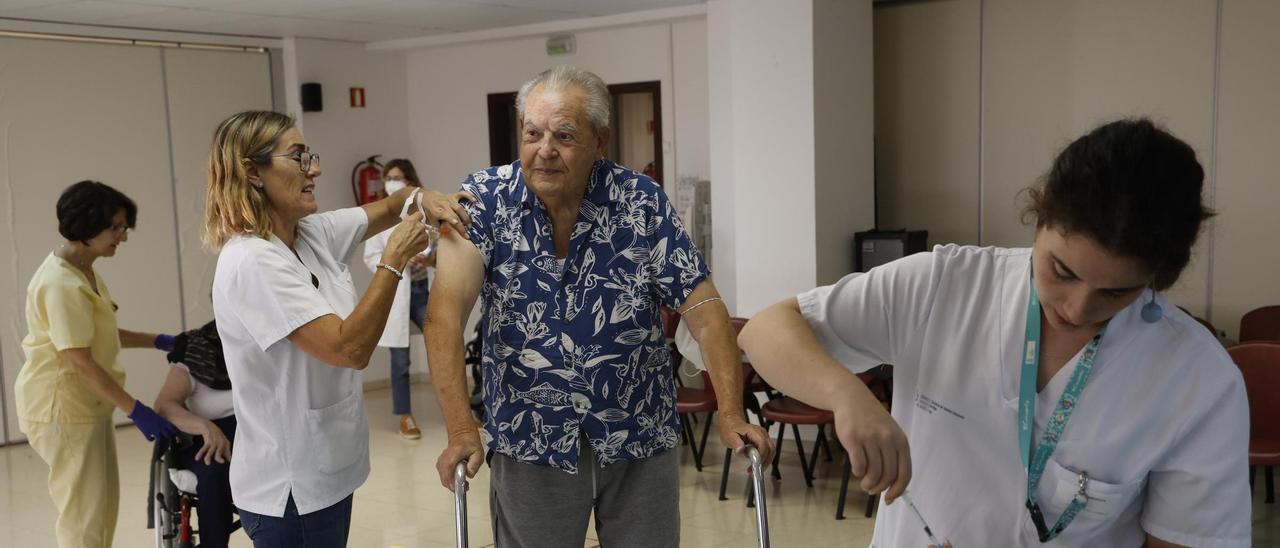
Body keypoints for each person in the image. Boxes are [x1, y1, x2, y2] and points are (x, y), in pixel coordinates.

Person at [740, 119, 1250, 547]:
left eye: (1115, 294)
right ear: (1040, 212)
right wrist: (846, 394)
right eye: (1062, 272)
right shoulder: (945, 285)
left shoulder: (1197, 379)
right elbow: (764, 331)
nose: (1076, 308)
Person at [425, 66, 773, 547]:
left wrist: (731, 412)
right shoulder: (484, 202)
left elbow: (706, 307)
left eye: (564, 135)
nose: (544, 149)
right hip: (532, 440)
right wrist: (462, 428)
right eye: (532, 133)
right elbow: (444, 316)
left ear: (599, 140)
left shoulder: (640, 202)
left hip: (638, 435)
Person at [203, 110, 470, 546]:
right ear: (252, 171)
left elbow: (389, 206)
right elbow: (349, 349)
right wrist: (393, 260)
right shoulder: (252, 261)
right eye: (298, 157)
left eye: (311, 155)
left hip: (326, 467)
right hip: (291, 487)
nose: (316, 168)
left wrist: (426, 200)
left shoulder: (308, 233)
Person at [15, 180, 179, 548]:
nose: (121, 236)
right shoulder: (60, 283)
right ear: (87, 226)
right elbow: (80, 360)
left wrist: (157, 340)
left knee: (102, 508)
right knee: (83, 517)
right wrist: (135, 409)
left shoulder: (83, 270)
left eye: (124, 227)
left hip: (87, 405)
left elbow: (97, 332)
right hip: (63, 410)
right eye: (115, 227)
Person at [362, 158, 434, 439]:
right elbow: (370, 256)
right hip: (395, 290)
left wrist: (424, 258)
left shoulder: (422, 209)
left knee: (442, 344)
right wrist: (399, 260)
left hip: (421, 291)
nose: (392, 181)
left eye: (398, 177)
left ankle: (462, 410)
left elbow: (433, 243)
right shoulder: (379, 216)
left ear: (410, 182)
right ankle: (405, 416)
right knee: (400, 360)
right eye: (388, 177)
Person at [153, 320, 237, 547]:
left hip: (260, 434)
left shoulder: (265, 340)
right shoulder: (195, 348)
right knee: (213, 469)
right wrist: (205, 427)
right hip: (210, 437)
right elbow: (164, 406)